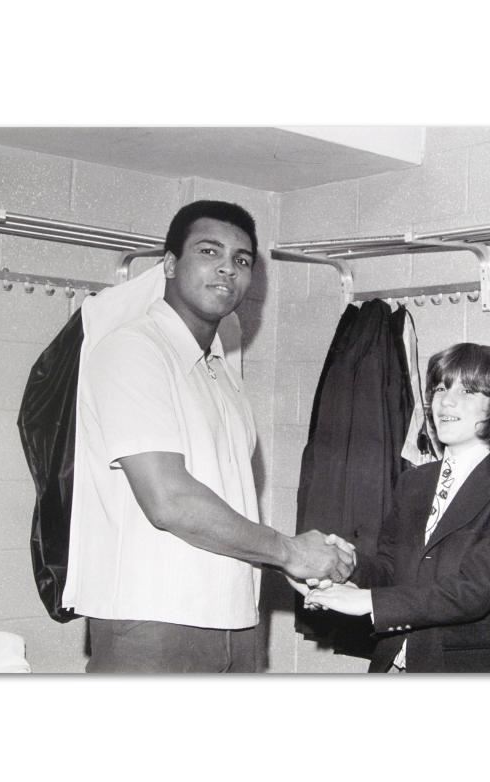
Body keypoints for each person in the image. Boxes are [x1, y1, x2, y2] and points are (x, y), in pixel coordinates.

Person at [64, 200, 354, 673]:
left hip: (234, 617)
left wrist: (292, 562)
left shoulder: (220, 372)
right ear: (170, 264)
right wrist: (290, 552)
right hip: (154, 619)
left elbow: (224, 505)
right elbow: (170, 501)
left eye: (242, 259)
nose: (228, 268)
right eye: (208, 251)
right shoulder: (134, 350)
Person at [301, 343, 490, 673]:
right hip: (392, 662)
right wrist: (349, 564)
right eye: (441, 388)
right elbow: (390, 569)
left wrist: (369, 602)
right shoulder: (413, 482)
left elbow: (472, 592)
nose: (446, 400)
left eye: (467, 391)